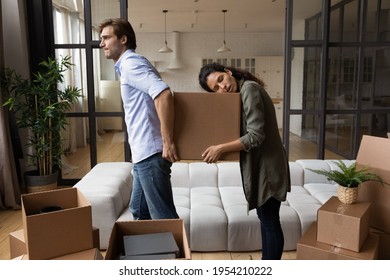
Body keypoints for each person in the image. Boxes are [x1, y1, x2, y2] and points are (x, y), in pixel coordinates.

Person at [198, 63, 291, 260]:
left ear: (228, 72)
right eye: (216, 88)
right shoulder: (240, 94)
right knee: (266, 219)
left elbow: (256, 135)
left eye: (221, 79)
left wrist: (220, 148)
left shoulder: (249, 88)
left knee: (270, 221)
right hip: (260, 166)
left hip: (268, 167)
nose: (222, 87)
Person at [99, 18, 179, 220]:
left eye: (106, 38)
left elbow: (163, 94)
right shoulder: (128, 64)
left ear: (123, 39)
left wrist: (167, 142)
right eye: (101, 39)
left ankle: (173, 253)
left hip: (150, 153)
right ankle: (143, 252)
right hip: (142, 154)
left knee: (163, 218)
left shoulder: (130, 64)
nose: (102, 44)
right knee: (139, 211)